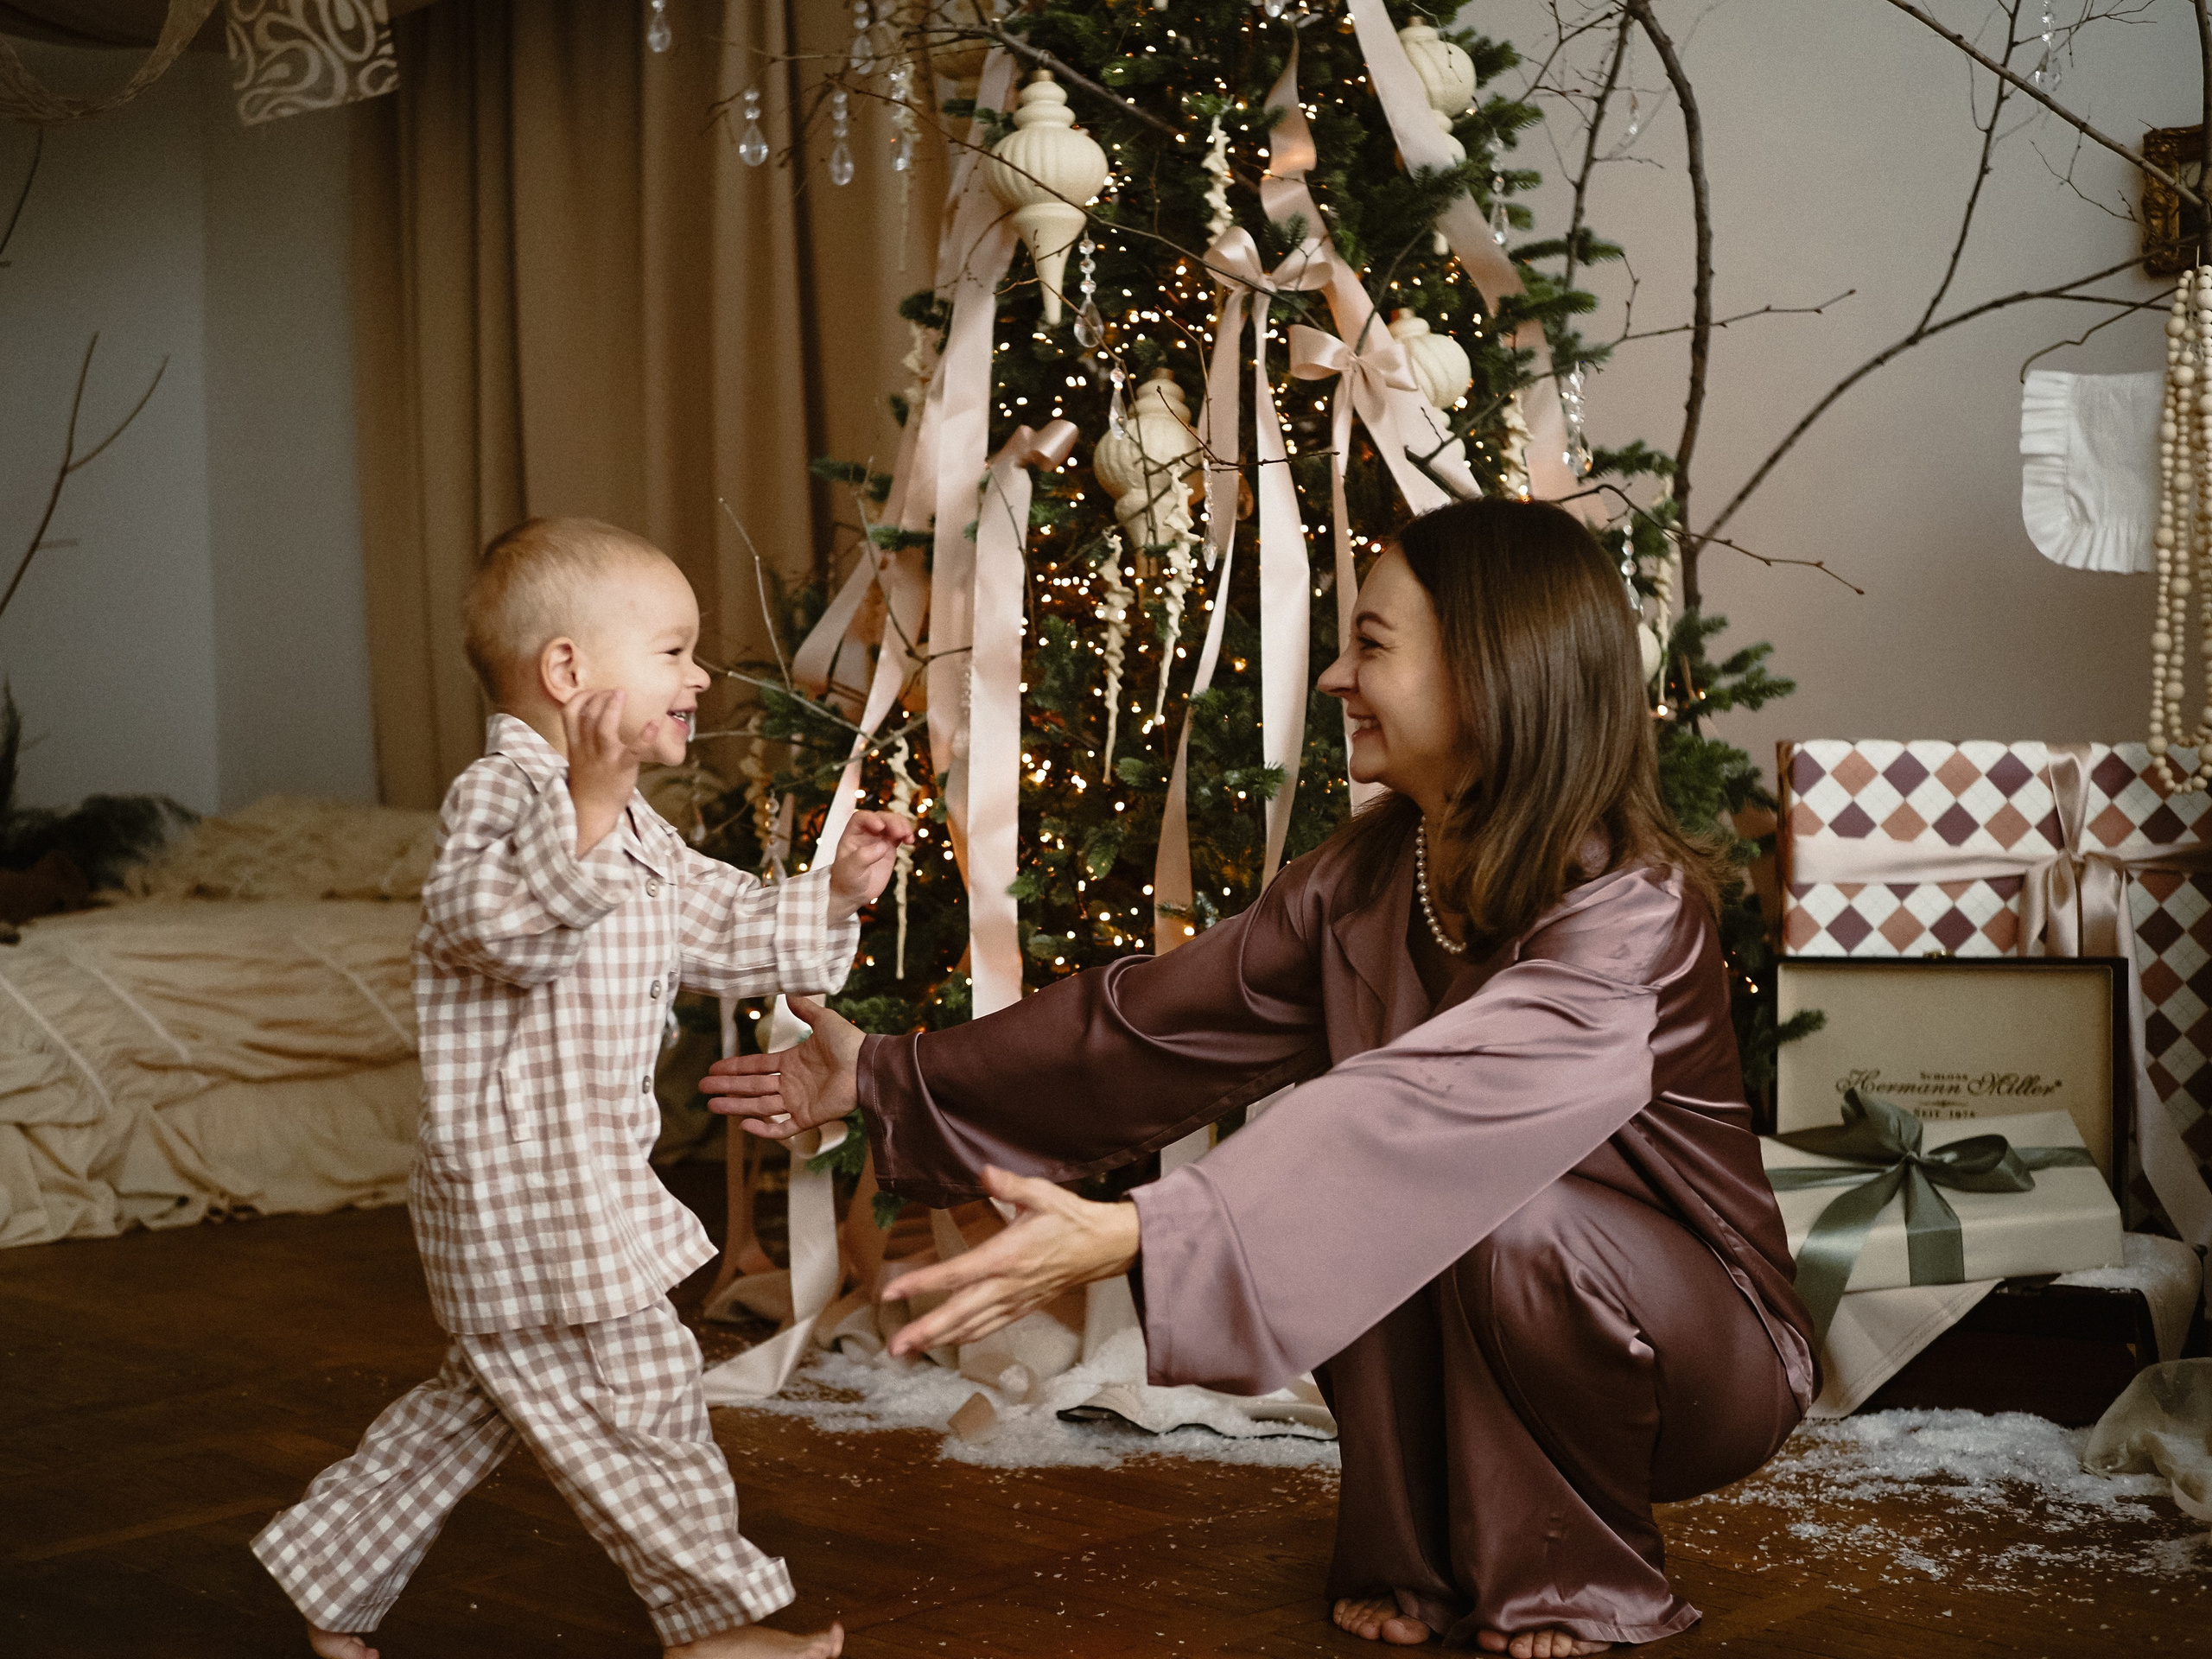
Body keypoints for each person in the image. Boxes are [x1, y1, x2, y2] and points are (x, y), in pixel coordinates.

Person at [702, 498, 1817, 1656]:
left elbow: (1427, 1116)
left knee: (1464, 1203)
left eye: (1373, 645)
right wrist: (885, 1077)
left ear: (1489, 672)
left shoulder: (1631, 909)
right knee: (1382, 1203)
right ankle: (1425, 1560)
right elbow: (1146, 1029)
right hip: (1513, 1274)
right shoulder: (1375, 872)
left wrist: (1139, 1234)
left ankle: (1577, 1578)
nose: (1337, 675)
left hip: (1703, 1354)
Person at [254, 518, 906, 1659]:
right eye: (672, 651)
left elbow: (730, 926)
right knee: (637, 1393)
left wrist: (837, 893)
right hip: (526, 1199)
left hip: (575, 1189)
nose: (698, 675)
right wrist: (587, 809)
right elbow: (490, 927)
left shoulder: (638, 830)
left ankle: (327, 1572)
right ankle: (716, 1629)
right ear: (569, 672)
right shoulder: (501, 801)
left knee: (480, 1405)